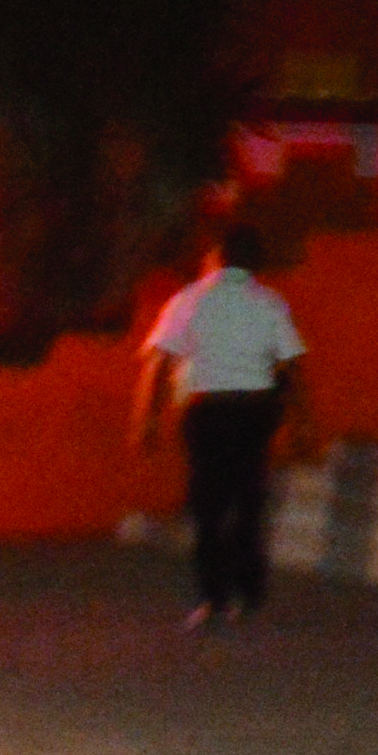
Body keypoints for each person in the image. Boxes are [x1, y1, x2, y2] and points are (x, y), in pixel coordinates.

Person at [134, 226, 305, 628]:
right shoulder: (269, 303)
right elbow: (292, 365)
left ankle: (213, 597)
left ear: (217, 258)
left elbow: (158, 363)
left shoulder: (189, 300)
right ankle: (248, 591)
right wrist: (302, 422)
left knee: (208, 506)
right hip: (252, 412)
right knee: (248, 501)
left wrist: (147, 419)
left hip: (206, 412)